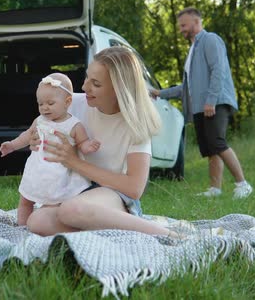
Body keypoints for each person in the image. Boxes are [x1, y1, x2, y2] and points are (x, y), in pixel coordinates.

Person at [23, 46, 181, 238]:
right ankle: (112, 229)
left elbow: (134, 188)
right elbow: (41, 129)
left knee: (71, 210)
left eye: (96, 84)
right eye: (87, 78)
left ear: (118, 89)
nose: (84, 87)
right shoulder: (72, 104)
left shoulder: (135, 124)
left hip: (112, 194)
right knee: (37, 221)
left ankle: (165, 235)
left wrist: (74, 162)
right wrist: (35, 140)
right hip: (75, 188)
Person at [151, 7, 253, 199]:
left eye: (184, 25)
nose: (181, 29)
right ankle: (215, 189)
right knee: (209, 148)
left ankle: (243, 184)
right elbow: (187, 87)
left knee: (217, 142)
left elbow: (218, 70)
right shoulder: (193, 48)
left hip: (215, 102)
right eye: (180, 26)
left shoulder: (210, 40)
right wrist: (160, 93)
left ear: (196, 22)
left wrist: (211, 100)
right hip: (201, 106)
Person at [0, 73, 101, 226]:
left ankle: (45, 223)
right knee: (26, 200)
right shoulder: (39, 120)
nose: (44, 108)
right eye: (41, 104)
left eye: (50, 103)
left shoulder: (74, 125)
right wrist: (12, 145)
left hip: (59, 173)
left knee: (54, 203)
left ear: (67, 102)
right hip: (36, 169)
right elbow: (27, 135)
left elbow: (82, 142)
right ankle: (21, 227)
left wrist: (88, 147)